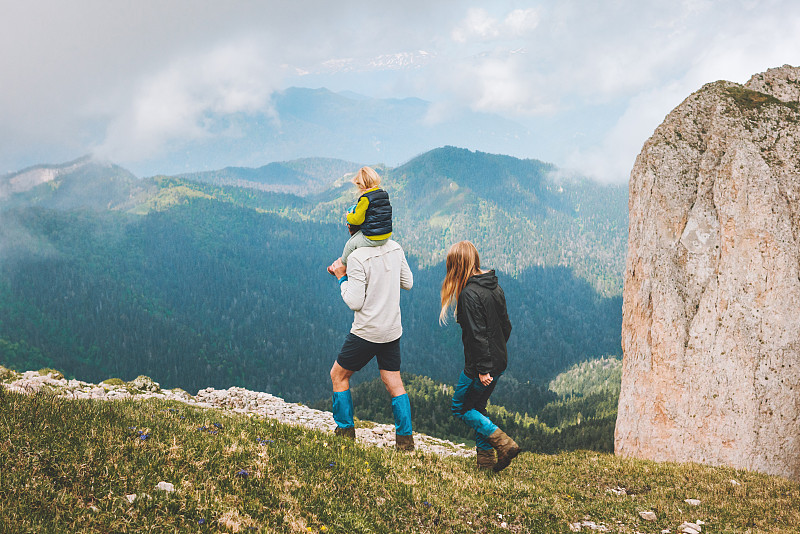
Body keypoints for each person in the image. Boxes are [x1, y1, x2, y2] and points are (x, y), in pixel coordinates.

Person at [327, 221, 414, 451]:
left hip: (367, 331)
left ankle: (344, 432)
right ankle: (405, 442)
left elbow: (354, 302)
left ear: (353, 229)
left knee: (339, 375)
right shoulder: (395, 247)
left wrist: (341, 277)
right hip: (392, 329)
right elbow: (408, 282)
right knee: (394, 382)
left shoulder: (357, 257)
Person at [440, 241, 520, 472]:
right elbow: (506, 326)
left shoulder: (468, 294)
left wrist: (484, 368)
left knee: (461, 407)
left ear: (456, 266)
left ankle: (504, 444)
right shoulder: (494, 286)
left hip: (479, 366)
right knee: (479, 406)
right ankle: (485, 462)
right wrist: (495, 358)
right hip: (499, 360)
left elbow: (477, 335)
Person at [336, 166, 392, 268]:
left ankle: (342, 265)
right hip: (386, 235)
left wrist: (349, 216)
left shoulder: (365, 198)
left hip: (373, 237)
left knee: (351, 244)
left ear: (361, 185)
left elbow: (357, 220)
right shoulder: (383, 194)